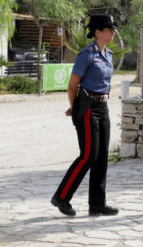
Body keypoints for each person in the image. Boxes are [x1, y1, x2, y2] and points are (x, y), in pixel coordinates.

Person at [51, 14, 119, 217]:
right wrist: (75, 107)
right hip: (87, 107)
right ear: (98, 32)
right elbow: (72, 87)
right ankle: (61, 197)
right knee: (88, 155)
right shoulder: (86, 55)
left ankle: (97, 204)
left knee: (101, 158)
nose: (113, 32)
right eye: (109, 29)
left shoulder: (108, 55)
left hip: (102, 107)